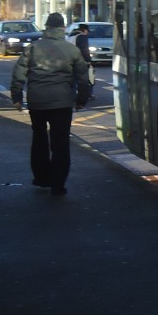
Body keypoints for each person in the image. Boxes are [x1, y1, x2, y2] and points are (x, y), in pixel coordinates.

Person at [10, 12, 92, 196]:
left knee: (39, 138)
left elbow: (18, 73)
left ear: (46, 28)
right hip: (62, 103)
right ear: (62, 28)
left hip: (37, 101)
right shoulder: (72, 50)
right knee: (60, 143)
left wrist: (16, 97)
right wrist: (81, 100)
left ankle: (41, 177)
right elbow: (83, 78)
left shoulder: (32, 48)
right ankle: (58, 184)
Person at [73, 22, 96, 98]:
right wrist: (88, 61)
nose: (88, 33)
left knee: (75, 79)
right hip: (81, 61)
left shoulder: (73, 37)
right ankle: (87, 94)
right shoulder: (82, 37)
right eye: (87, 31)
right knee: (88, 78)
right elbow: (84, 50)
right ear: (85, 30)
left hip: (73, 60)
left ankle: (74, 94)